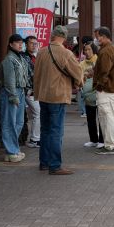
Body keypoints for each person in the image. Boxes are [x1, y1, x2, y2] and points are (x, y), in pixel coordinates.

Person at [33, 24, 84, 175]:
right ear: (64, 37)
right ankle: (55, 165)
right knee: (56, 131)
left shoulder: (41, 52)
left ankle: (44, 162)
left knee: (45, 130)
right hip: (58, 96)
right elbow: (77, 72)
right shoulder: (66, 53)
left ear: (52, 35)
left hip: (43, 95)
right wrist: (79, 82)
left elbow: (36, 75)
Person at [92, 27, 114, 155]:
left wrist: (100, 85)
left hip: (107, 89)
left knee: (107, 117)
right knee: (112, 117)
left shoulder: (105, 51)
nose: (96, 39)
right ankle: (110, 144)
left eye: (98, 36)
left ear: (104, 36)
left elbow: (104, 72)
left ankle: (110, 146)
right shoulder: (113, 49)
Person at [0, 33, 30, 162]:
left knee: (19, 122)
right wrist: (13, 96)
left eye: (21, 42)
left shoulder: (20, 58)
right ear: (11, 44)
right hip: (11, 92)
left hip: (21, 91)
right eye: (17, 42)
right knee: (9, 122)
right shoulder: (8, 60)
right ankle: (11, 151)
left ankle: (11, 149)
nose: (20, 44)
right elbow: (9, 81)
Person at [24, 36, 41, 149]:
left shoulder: (38, 56)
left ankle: (35, 137)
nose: (34, 45)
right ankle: (34, 139)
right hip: (29, 90)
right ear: (26, 45)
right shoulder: (24, 58)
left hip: (38, 90)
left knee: (33, 114)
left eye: (36, 43)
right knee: (37, 113)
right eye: (31, 43)